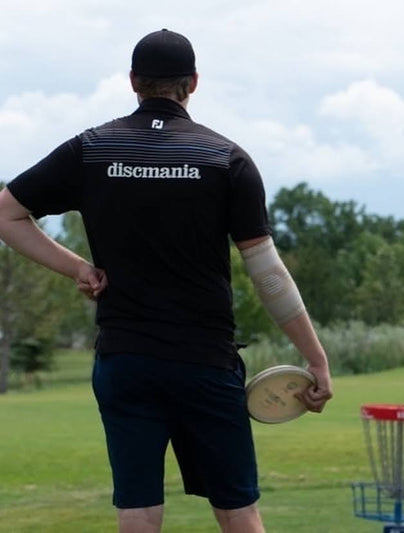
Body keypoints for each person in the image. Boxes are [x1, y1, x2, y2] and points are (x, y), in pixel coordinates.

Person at [0, 29, 333, 533]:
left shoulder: (91, 149)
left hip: (125, 360)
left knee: (137, 510)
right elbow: (267, 273)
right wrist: (315, 357)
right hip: (205, 363)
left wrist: (79, 269)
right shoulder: (227, 159)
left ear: (134, 81)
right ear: (193, 83)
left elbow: (7, 214)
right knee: (238, 510)